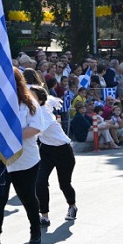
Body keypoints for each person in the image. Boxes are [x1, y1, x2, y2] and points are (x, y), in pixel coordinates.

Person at [0, 69, 43, 244]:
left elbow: (35, 127)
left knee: (26, 196)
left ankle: (35, 227)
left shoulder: (29, 103)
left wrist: (12, 137)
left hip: (23, 160)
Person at [29, 85, 78, 227]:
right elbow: (49, 99)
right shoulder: (36, 108)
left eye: (32, 96)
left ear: (39, 99)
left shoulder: (43, 113)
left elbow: (35, 130)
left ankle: (72, 205)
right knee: (40, 181)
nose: (29, 98)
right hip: (46, 151)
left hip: (63, 151)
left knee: (64, 184)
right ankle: (44, 215)